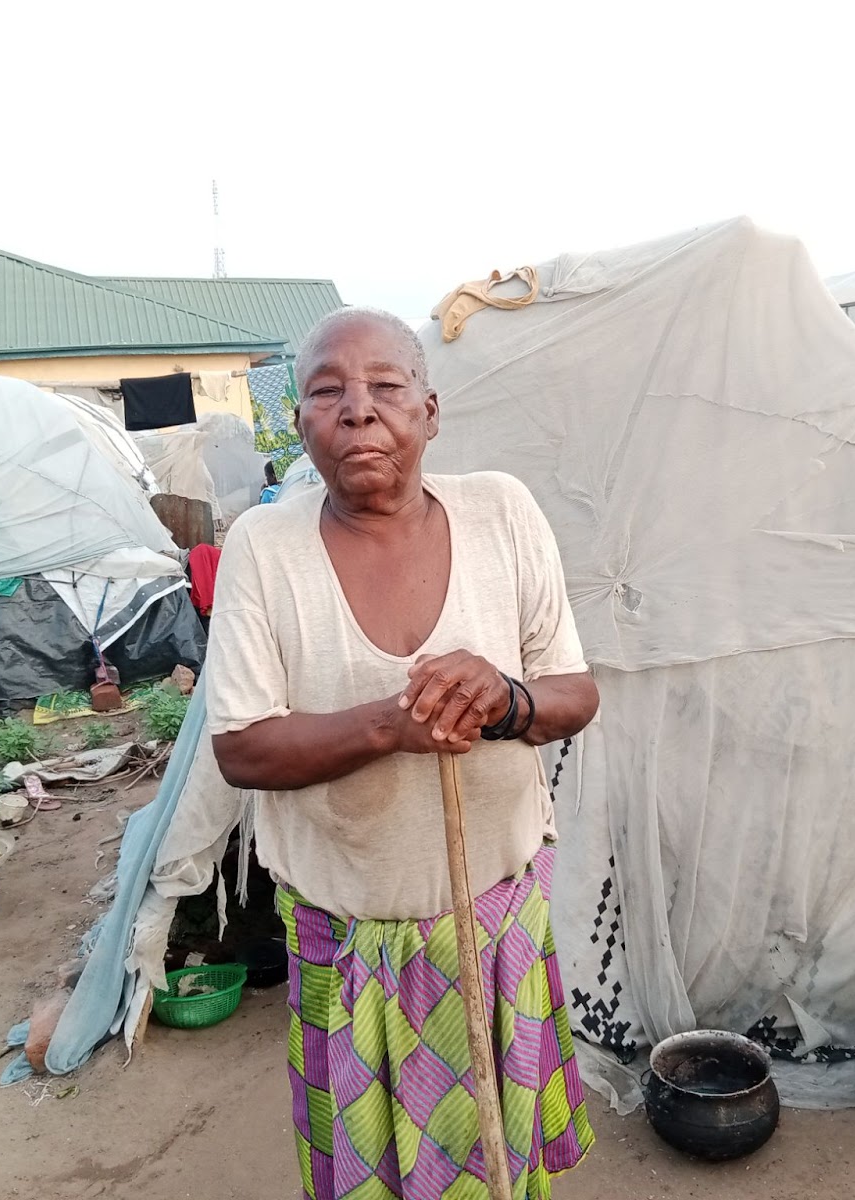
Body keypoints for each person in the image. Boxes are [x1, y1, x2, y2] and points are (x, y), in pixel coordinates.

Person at [207, 308, 598, 1199]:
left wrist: (505, 699)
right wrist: (390, 724)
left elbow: (574, 694)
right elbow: (243, 750)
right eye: (327, 391)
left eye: (386, 387)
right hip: (344, 942)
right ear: (299, 422)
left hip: (494, 925)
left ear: (429, 408)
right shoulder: (264, 548)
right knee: (371, 1177)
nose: (358, 410)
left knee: (500, 1168)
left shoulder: (502, 511)